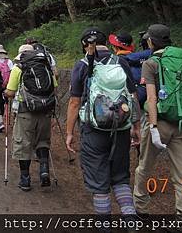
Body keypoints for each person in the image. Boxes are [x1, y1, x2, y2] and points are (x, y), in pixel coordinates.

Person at [65, 27, 141, 220]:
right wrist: (136, 126)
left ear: (85, 45)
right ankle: (131, 221)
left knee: (99, 183)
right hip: (121, 128)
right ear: (106, 42)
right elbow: (132, 97)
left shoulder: (82, 65)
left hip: (93, 131)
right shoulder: (121, 62)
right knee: (121, 178)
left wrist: (69, 133)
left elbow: (74, 102)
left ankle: (104, 225)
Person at [133, 24, 182, 218]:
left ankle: (141, 208)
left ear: (150, 41)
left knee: (144, 166)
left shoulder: (151, 63)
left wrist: (152, 127)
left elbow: (151, 98)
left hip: (159, 122)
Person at [5, 44, 57, 191]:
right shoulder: (46, 66)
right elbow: (54, 86)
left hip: (25, 112)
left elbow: (10, 91)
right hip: (45, 110)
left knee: (24, 143)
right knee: (42, 141)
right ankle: (44, 170)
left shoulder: (19, 68)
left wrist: (5, 94)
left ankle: (25, 179)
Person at [0, 44, 13, 133]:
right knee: (4, 103)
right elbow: (12, 74)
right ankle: (2, 121)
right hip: (7, 85)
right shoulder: (9, 61)